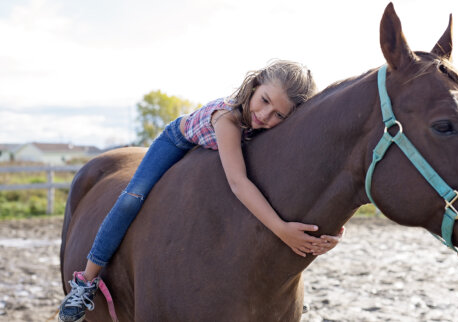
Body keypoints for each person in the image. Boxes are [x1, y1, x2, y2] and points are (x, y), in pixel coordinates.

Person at [58, 60, 345, 322]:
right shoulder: (228, 117)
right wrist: (282, 229)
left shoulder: (268, 130)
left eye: (279, 115)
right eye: (265, 101)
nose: (264, 115)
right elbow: (238, 182)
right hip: (179, 140)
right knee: (131, 200)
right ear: (255, 85)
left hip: (217, 151)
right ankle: (85, 282)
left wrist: (335, 230)